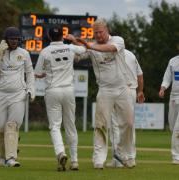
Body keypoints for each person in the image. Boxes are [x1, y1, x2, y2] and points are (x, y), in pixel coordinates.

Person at [66, 19, 135, 169]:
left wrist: (89, 45)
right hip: (104, 90)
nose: (98, 35)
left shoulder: (118, 40)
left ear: (107, 30)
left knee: (128, 124)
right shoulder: (91, 47)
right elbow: (80, 53)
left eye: (100, 32)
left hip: (123, 88)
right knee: (101, 125)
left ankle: (123, 153)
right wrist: (72, 43)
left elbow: (109, 48)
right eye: (95, 32)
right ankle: (98, 160)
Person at [35, 27, 86, 171]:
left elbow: (38, 73)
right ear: (63, 36)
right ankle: (75, 160)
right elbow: (85, 49)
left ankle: (60, 152)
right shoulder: (70, 48)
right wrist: (74, 40)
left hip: (53, 90)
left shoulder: (45, 52)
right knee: (71, 125)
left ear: (49, 37)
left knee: (55, 126)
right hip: (69, 90)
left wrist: (46, 73)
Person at [0, 27, 35, 167]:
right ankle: (2, 157)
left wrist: (31, 89)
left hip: (18, 94)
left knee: (12, 125)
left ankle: (11, 158)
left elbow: (30, 72)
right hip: (1, 93)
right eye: (11, 39)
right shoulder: (0, 52)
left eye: (16, 39)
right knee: (0, 127)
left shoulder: (24, 53)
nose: (14, 41)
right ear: (6, 39)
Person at [107, 49, 145, 168]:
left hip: (117, 91)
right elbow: (140, 75)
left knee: (115, 125)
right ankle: (130, 157)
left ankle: (118, 159)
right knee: (129, 125)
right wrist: (140, 91)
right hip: (131, 91)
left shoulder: (108, 53)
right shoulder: (131, 54)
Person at [159, 55, 179, 165]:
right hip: (174, 97)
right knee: (172, 128)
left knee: (178, 129)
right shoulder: (172, 61)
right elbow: (167, 77)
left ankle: (176, 157)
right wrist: (163, 88)